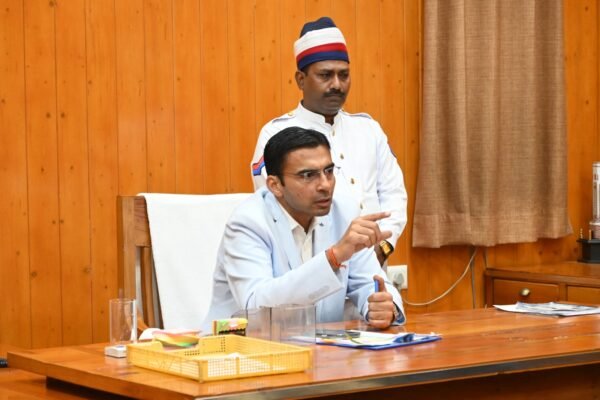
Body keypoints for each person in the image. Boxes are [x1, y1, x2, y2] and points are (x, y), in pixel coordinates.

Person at [203, 127, 404, 331]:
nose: (325, 185)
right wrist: (333, 257)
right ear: (275, 185)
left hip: (321, 344)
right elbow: (256, 308)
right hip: (243, 345)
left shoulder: (344, 211)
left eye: (329, 171)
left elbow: (370, 283)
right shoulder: (248, 222)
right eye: (308, 175)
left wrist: (385, 307)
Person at [250, 16, 408, 266]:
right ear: (301, 79)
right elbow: (275, 211)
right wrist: (332, 260)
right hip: (311, 270)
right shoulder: (276, 134)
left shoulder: (368, 129)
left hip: (374, 265)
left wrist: (383, 248)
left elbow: (394, 194)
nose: (337, 85)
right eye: (325, 75)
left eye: (344, 75)